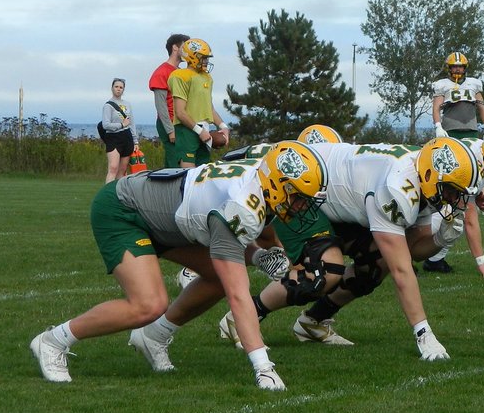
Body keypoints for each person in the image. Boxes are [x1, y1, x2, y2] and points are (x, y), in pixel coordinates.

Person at [29, 141, 328, 390]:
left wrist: (270, 255)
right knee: (149, 303)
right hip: (124, 210)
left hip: (170, 219)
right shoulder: (243, 205)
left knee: (214, 277)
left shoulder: (260, 181)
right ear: (278, 185)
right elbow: (238, 294)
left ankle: (154, 336)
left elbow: (262, 231)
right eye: (299, 198)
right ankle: (53, 341)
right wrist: (263, 366)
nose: (301, 206)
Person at [220, 137, 483, 361]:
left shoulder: (421, 180)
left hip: (336, 203)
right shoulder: (398, 187)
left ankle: (313, 323)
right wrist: (423, 332)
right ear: (429, 175)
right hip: (301, 194)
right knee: (327, 270)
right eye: (450, 190)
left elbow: (412, 249)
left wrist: (441, 239)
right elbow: (402, 270)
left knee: (375, 264)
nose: (453, 199)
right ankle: (243, 316)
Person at [422, 127, 484, 279]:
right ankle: (421, 258)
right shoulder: (476, 163)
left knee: (454, 215)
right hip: (425, 186)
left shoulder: (480, 146)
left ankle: (434, 260)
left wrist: (478, 195)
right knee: (454, 220)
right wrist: (481, 262)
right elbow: (470, 221)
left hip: (431, 181)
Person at [428, 51, 484, 256]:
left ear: (465, 67)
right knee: (454, 167)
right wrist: (438, 126)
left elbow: (481, 105)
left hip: (471, 130)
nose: (457, 70)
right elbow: (436, 107)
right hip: (451, 130)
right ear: (449, 68)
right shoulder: (442, 85)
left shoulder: (474, 84)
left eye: (460, 67)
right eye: (454, 67)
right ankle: (448, 198)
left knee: (479, 163)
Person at [169, 38, 230, 168]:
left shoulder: (206, 77)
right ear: (192, 56)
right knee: (188, 174)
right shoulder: (180, 76)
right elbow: (180, 112)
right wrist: (199, 130)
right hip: (187, 129)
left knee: (203, 172)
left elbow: (209, 108)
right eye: (204, 57)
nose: (206, 61)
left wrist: (223, 126)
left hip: (204, 128)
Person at [149, 33, 188, 168]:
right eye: (185, 46)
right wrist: (170, 130)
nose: (188, 51)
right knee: (175, 164)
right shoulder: (162, 72)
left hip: (181, 122)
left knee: (175, 163)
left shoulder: (181, 72)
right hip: (169, 122)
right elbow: (161, 105)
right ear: (175, 48)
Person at [99, 78, 139, 183]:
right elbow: (106, 125)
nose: (118, 89)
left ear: (123, 90)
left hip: (127, 137)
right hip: (113, 137)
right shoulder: (108, 105)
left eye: (121, 87)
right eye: (116, 87)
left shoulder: (128, 104)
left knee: (122, 170)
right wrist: (121, 125)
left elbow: (132, 123)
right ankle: (107, 195)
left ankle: (119, 195)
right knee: (113, 168)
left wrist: (135, 141)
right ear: (112, 88)